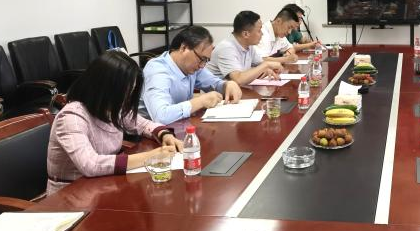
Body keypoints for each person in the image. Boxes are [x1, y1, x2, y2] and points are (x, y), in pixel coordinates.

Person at [46, 50, 183, 195]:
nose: (128, 97)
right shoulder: (72, 116)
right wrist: (152, 156)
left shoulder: (112, 108)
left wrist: (165, 135)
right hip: (70, 195)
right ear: (106, 88)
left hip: (103, 185)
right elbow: (90, 164)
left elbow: (143, 125)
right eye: (125, 92)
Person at [140, 25, 243, 124]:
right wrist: (200, 102)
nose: (202, 66)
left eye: (206, 60)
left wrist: (227, 85)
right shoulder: (157, 70)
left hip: (178, 126)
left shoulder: (191, 67)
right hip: (148, 132)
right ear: (184, 48)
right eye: (201, 59)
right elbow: (160, 116)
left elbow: (215, 84)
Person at [207, 10, 283, 85]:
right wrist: (266, 65)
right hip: (215, 92)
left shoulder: (248, 46)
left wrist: (267, 69)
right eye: (259, 30)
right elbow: (238, 79)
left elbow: (260, 64)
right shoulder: (226, 48)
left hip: (235, 90)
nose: (262, 34)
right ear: (246, 34)